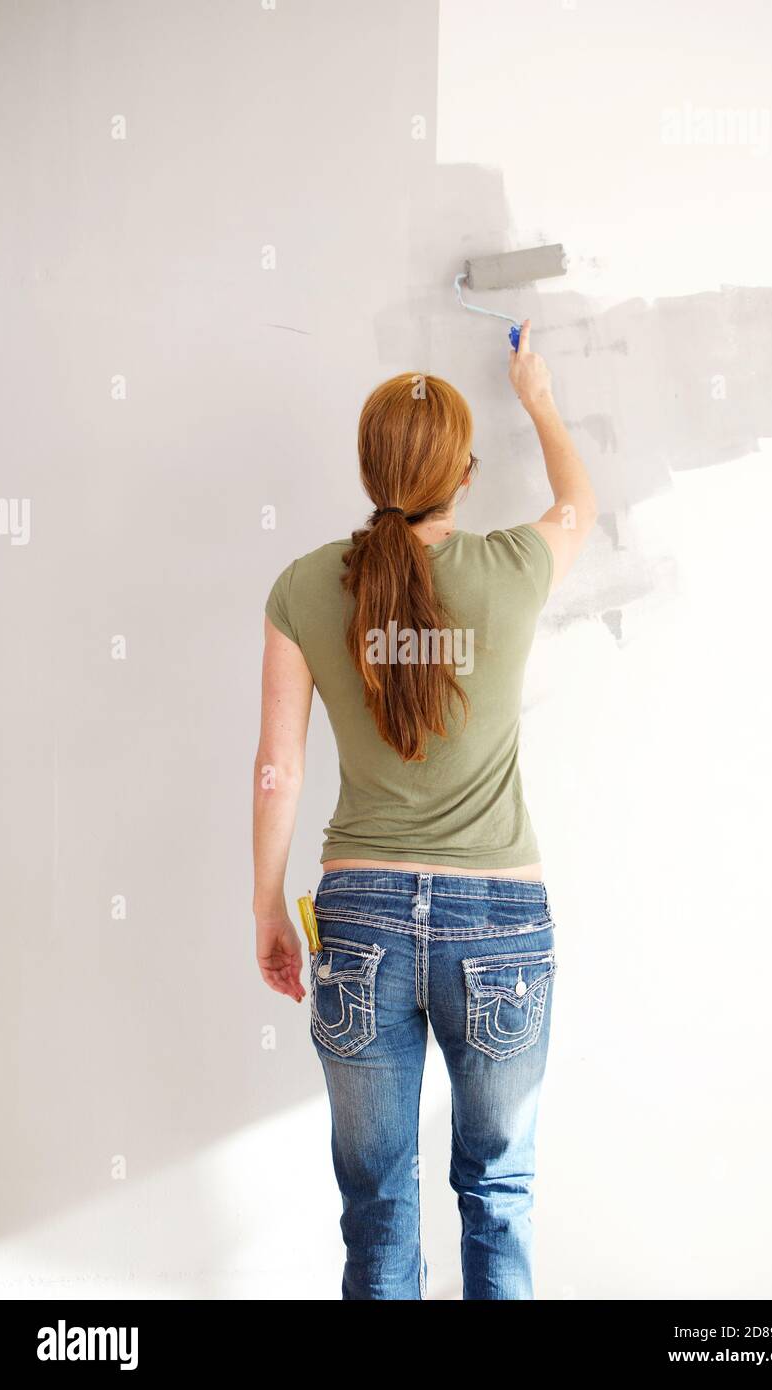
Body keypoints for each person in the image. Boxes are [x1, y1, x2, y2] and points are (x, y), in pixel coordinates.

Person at [253, 320, 597, 1299]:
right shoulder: (511, 568)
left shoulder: (302, 586)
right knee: (497, 1188)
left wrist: (266, 905)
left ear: (368, 468)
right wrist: (535, 394)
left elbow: (276, 763)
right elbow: (576, 504)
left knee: (376, 1202)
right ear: (465, 469)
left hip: (355, 920)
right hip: (499, 928)